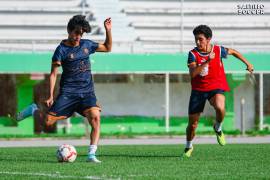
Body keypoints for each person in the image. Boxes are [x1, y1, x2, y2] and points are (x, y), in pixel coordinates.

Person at [45, 15, 112, 162]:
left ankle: (91, 154)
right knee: (48, 121)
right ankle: (40, 109)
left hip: (87, 93)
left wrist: (108, 30)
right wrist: (50, 95)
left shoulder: (87, 45)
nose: (78, 37)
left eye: (81, 34)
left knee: (96, 118)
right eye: (76, 33)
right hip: (68, 93)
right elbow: (53, 74)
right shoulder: (61, 50)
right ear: (69, 31)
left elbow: (107, 48)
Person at [183, 25, 253, 158]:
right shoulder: (192, 54)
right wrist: (206, 62)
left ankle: (218, 127)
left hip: (215, 86)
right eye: (196, 39)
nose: (198, 42)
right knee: (192, 125)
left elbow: (233, 52)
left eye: (200, 39)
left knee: (220, 108)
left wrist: (247, 63)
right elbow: (192, 74)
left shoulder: (218, 50)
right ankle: (188, 146)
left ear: (208, 39)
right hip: (198, 90)